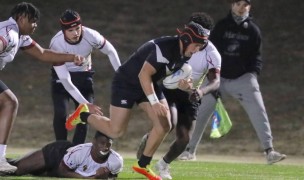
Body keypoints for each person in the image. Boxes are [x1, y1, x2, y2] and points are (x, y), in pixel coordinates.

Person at [65, 12, 214, 180]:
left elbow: (166, 78)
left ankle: (142, 165)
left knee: (164, 123)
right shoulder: (165, 49)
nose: (198, 50)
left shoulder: (185, 53)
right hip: (127, 83)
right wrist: (154, 101)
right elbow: (143, 75)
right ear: (187, 40)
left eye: (201, 46)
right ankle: (83, 114)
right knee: (116, 131)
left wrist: (183, 85)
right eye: (196, 45)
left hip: (147, 83)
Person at [178, 0, 286, 165]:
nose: (241, 8)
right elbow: (211, 54)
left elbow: (256, 57)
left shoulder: (253, 30)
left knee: (258, 110)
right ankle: (189, 150)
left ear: (249, 7)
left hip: (242, 78)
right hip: (218, 78)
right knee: (199, 112)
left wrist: (252, 74)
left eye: (245, 4)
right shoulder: (221, 26)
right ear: (232, 5)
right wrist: (212, 80)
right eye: (238, 4)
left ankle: (269, 151)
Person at [0, 2, 84, 174]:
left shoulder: (19, 35)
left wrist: (71, 57)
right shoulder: (9, 33)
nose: (35, 25)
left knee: (9, 102)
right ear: (22, 18)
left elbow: (43, 53)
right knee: (10, 103)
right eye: (33, 21)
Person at [136, 12, 221, 179]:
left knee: (185, 138)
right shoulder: (176, 44)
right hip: (168, 90)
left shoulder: (212, 53)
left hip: (190, 95)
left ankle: (164, 164)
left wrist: (200, 91)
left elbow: (215, 80)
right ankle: (148, 149)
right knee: (170, 123)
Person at [50, 9, 120, 145]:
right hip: (62, 77)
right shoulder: (56, 44)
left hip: (84, 76)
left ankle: (76, 152)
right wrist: (85, 103)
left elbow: (110, 51)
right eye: (70, 31)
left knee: (87, 116)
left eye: (77, 28)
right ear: (64, 31)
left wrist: (120, 74)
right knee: (60, 113)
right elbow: (65, 80)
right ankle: (61, 149)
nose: (75, 33)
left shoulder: (91, 35)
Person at [7, 131, 123, 179]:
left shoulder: (116, 161)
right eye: (102, 143)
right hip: (57, 154)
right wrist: (88, 178)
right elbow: (62, 171)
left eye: (108, 144)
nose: (105, 147)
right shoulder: (80, 152)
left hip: (63, 169)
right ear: (93, 142)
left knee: (35, 172)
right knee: (15, 170)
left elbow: (112, 177)